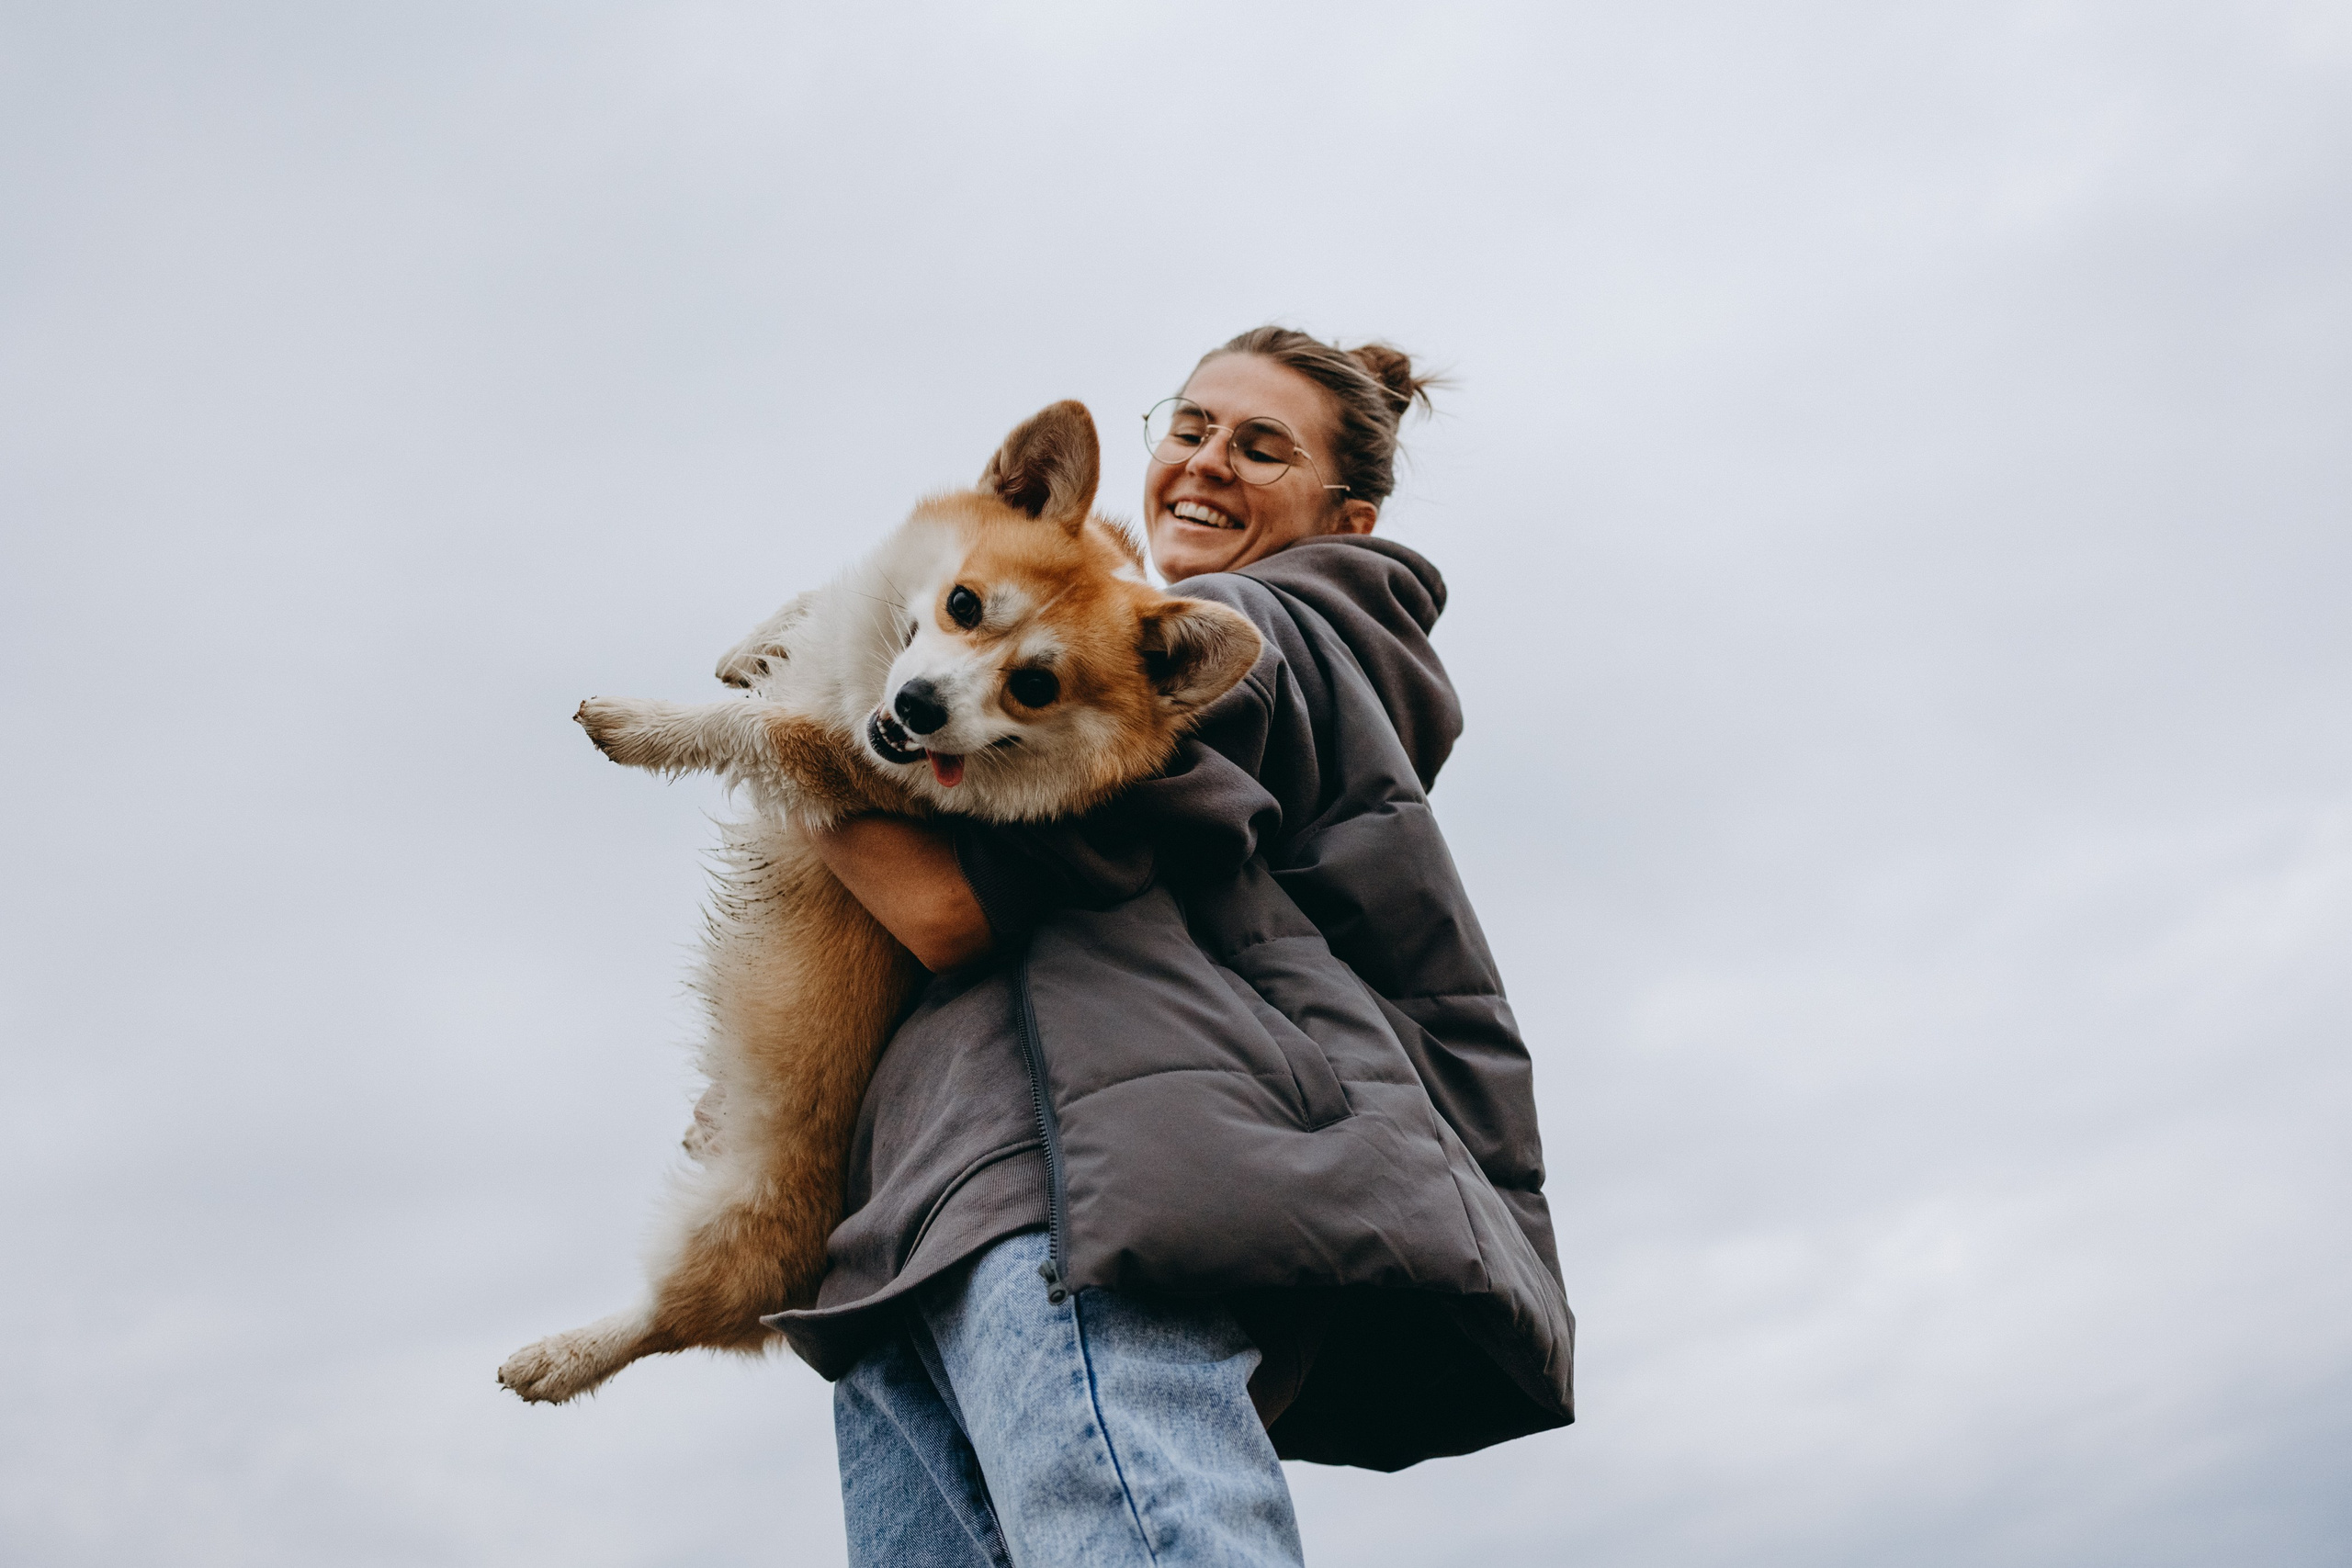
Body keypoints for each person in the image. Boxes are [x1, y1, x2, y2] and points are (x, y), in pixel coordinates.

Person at [778, 326, 1574, 1567]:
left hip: (1060, 1182)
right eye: (1191, 427)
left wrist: (788, 722)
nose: (1204, 464)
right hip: (917, 1218)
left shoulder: (1237, 633)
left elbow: (951, 907)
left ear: (1345, 516)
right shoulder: (1132, 645)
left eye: (1261, 449)